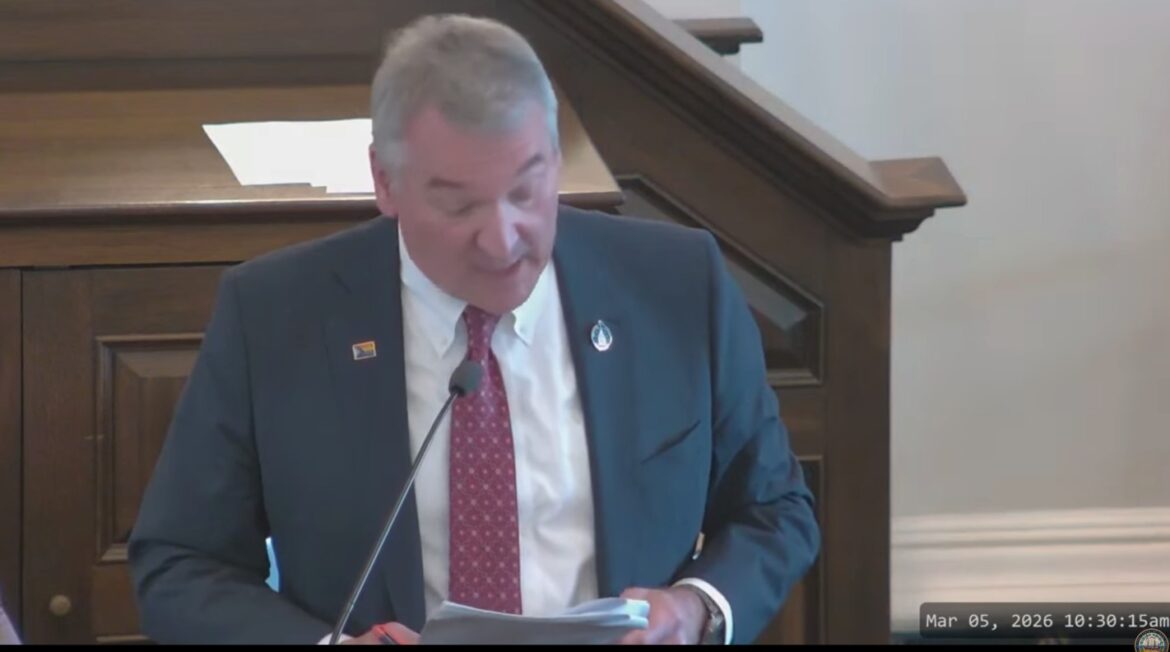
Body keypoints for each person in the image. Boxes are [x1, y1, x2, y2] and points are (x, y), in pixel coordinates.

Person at [127, 13, 819, 645]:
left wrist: (697, 608)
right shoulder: (277, 315)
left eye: (526, 191)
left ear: (556, 157)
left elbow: (775, 510)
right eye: (459, 206)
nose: (503, 239)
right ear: (385, 181)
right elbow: (182, 564)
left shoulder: (677, 285)